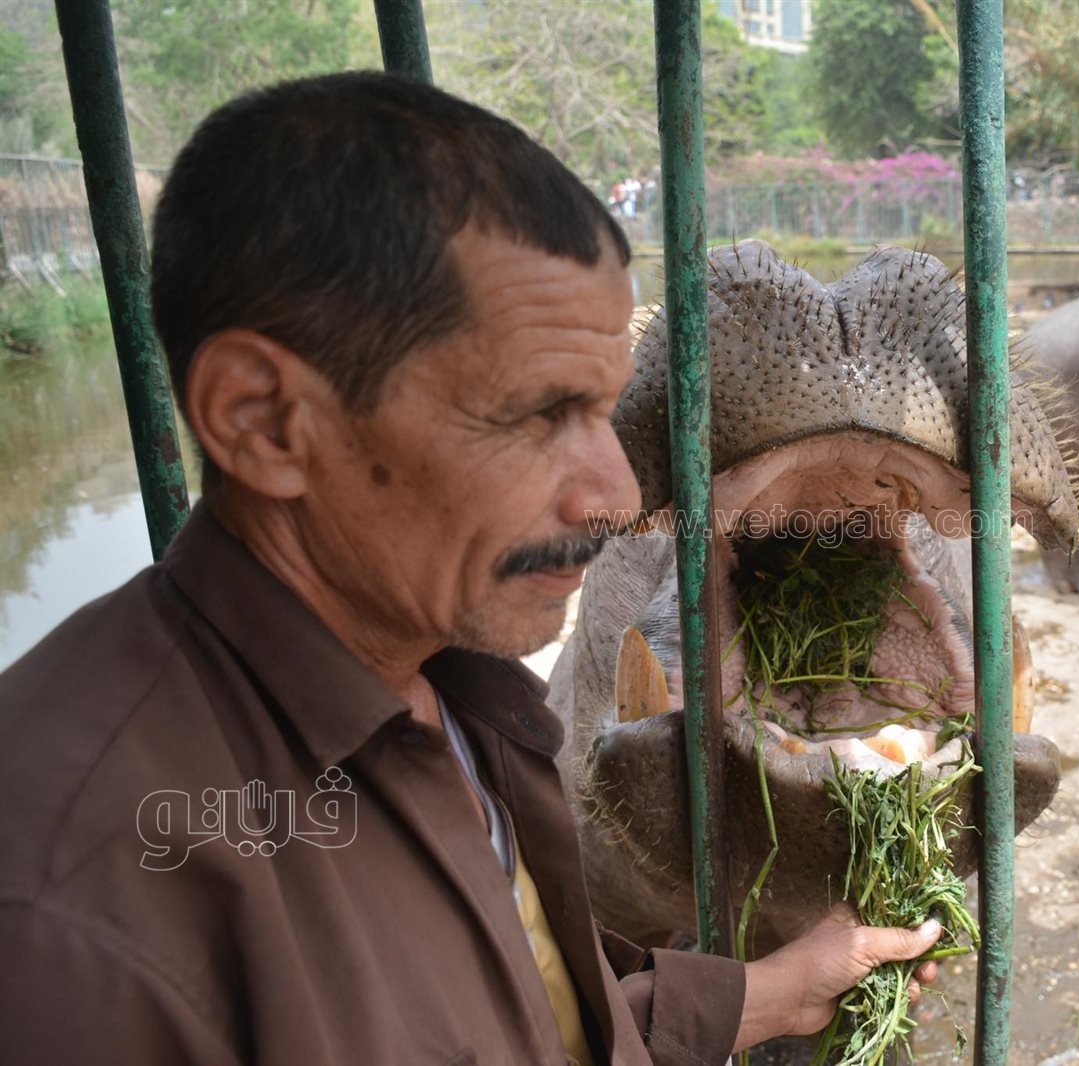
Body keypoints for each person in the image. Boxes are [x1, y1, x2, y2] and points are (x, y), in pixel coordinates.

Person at [0, 72, 938, 1065]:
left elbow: (521, 1023)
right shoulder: (70, 920)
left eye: (602, 409)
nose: (617, 497)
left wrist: (769, 995)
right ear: (264, 421)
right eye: (540, 413)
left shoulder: (444, 678)